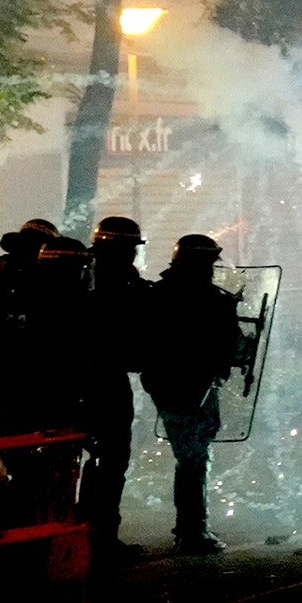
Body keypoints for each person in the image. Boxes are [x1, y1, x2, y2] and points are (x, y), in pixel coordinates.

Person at [0, 219, 90, 522]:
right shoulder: (58, 297)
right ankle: (35, 531)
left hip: (10, 386)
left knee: (16, 462)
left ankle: (13, 531)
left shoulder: (1, 277)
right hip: (41, 397)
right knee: (37, 470)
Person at [139, 234, 239, 555]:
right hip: (195, 387)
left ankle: (191, 528)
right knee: (193, 458)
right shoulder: (211, 301)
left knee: (190, 457)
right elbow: (229, 345)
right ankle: (192, 531)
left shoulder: (157, 295)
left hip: (167, 387)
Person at [80, 217, 151, 566]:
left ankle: (72, 534)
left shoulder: (80, 275)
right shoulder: (121, 283)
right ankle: (101, 537)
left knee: (73, 462)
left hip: (69, 380)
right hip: (106, 381)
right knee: (111, 462)